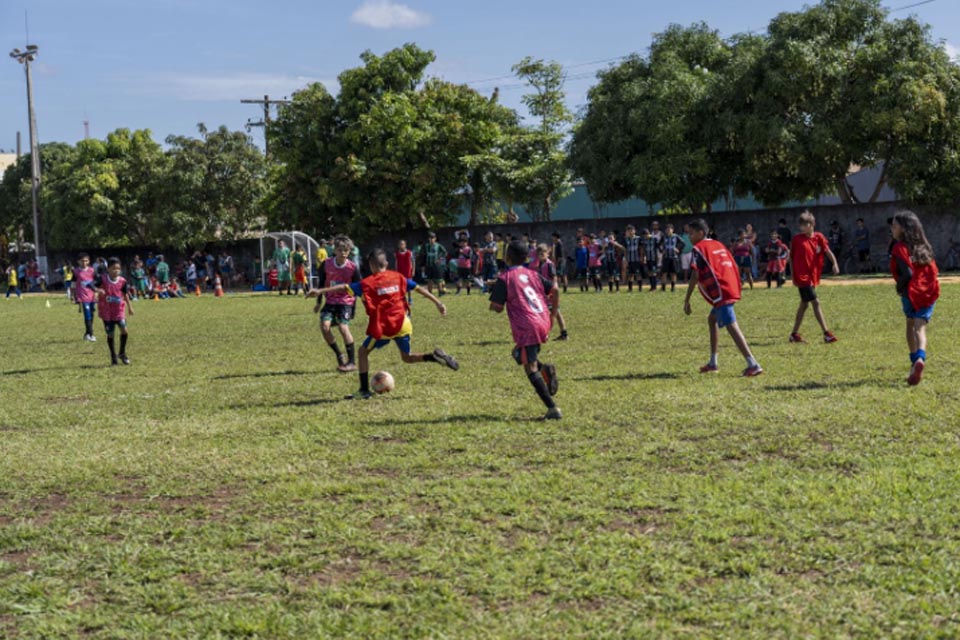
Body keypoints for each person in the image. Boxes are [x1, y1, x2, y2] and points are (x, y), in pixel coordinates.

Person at [309, 248, 459, 399]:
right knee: (406, 357)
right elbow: (419, 289)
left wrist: (321, 290)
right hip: (403, 323)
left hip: (384, 327)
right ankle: (434, 357)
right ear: (386, 263)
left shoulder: (367, 283)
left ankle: (364, 390)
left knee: (362, 352)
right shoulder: (398, 277)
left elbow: (343, 287)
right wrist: (438, 303)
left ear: (371, 265)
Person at [489, 240, 562, 419]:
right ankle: (545, 369)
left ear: (507, 257)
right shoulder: (533, 274)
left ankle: (553, 409)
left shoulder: (504, 278)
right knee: (518, 355)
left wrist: (494, 300)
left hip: (528, 325)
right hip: (542, 320)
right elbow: (556, 290)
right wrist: (552, 315)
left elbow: (497, 307)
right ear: (527, 257)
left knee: (529, 367)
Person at [683, 218, 763, 377]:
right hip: (730, 285)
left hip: (721, 291)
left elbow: (695, 274)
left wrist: (687, 299)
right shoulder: (718, 244)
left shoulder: (698, 248)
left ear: (700, 233)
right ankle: (713, 362)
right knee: (712, 319)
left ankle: (753, 363)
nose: (689, 237)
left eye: (691, 233)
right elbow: (732, 263)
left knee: (731, 325)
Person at [889, 211, 940, 385]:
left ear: (903, 229)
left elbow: (908, 273)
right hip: (927, 292)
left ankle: (913, 363)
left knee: (910, 325)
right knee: (920, 329)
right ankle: (920, 359)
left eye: (894, 225)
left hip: (909, 293)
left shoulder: (899, 248)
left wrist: (899, 285)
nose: (892, 228)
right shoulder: (924, 246)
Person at [788, 210, 840, 344]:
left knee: (804, 305)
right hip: (802, 278)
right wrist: (793, 275)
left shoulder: (819, 237)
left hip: (812, 277)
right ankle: (826, 333)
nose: (801, 228)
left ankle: (794, 334)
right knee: (816, 302)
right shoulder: (797, 240)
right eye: (800, 225)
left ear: (811, 224)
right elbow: (791, 258)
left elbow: (828, 251)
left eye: (804, 225)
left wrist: (834, 263)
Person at [313, 237, 361, 372]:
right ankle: (339, 355)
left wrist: (353, 310)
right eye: (340, 250)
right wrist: (318, 302)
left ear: (349, 251)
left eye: (346, 250)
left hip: (346, 302)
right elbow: (321, 284)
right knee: (324, 327)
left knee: (343, 328)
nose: (343, 253)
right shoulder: (326, 264)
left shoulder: (352, 268)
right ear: (335, 250)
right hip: (330, 301)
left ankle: (351, 362)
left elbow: (357, 289)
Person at [95, 257, 134, 365]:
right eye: (113, 268)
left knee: (124, 330)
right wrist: (98, 291)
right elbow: (91, 285)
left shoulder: (122, 281)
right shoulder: (102, 279)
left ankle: (122, 352)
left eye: (118, 268)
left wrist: (130, 307)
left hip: (119, 310)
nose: (116, 271)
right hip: (106, 311)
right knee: (110, 334)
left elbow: (125, 294)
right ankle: (113, 356)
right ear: (108, 269)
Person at [537, 244, 568, 340]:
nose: (541, 255)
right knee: (553, 314)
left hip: (550, 293)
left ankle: (556, 334)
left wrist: (553, 291)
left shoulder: (549, 264)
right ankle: (563, 334)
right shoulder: (541, 264)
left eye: (543, 254)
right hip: (545, 293)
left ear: (548, 254)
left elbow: (554, 278)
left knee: (554, 314)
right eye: (539, 254)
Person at [74, 253, 98, 341]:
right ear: (78, 261)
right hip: (82, 296)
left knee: (91, 314)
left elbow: (96, 282)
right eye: (82, 261)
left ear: (89, 261)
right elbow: (73, 284)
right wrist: (74, 296)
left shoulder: (92, 270)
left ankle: (87, 334)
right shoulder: (76, 272)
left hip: (92, 296)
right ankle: (91, 335)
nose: (84, 262)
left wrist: (96, 292)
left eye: (86, 261)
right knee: (87, 315)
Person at [659, 223, 685, 292]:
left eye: (669, 229)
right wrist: (662, 250)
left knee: (673, 273)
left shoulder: (676, 236)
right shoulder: (663, 237)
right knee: (664, 273)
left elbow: (683, 243)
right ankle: (663, 288)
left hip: (674, 257)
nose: (668, 231)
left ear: (672, 230)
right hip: (666, 257)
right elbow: (658, 245)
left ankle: (673, 288)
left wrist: (678, 249)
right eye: (667, 230)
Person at [422, 231, 447, 295]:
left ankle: (440, 292)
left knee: (438, 279)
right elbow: (423, 254)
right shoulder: (426, 246)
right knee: (429, 279)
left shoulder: (438, 245)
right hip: (428, 265)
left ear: (435, 238)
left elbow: (445, 252)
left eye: (432, 238)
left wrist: (440, 259)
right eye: (430, 238)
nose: (431, 239)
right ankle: (429, 293)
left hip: (436, 265)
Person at [395, 239, 414, 304]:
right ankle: (402, 298)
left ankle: (410, 298)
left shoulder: (409, 253)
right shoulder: (397, 253)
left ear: (405, 245)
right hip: (400, 271)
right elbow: (396, 262)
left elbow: (413, 262)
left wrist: (413, 270)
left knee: (409, 285)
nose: (401, 245)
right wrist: (396, 271)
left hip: (408, 271)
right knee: (401, 286)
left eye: (402, 244)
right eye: (400, 244)